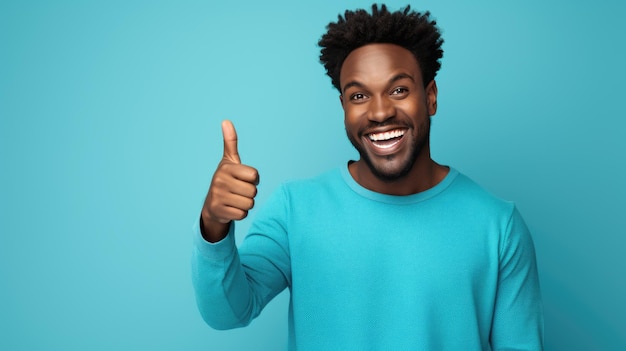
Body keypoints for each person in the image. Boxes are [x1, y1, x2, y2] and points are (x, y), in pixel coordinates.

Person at [192, 4, 544, 350]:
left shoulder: (498, 225)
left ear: (431, 97)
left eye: (398, 90)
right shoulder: (294, 209)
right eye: (359, 96)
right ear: (344, 108)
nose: (379, 112)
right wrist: (214, 224)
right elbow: (227, 313)